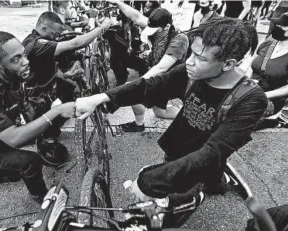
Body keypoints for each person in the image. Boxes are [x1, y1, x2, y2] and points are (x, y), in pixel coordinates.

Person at [75, 17, 267, 227]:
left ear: (229, 64)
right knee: (194, 181)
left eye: (200, 57)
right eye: (191, 53)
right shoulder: (190, 72)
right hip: (177, 148)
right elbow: (151, 85)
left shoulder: (250, 99)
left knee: (172, 212)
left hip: (203, 162)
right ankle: (218, 183)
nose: (190, 61)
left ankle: (206, 190)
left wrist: (148, 182)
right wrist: (102, 98)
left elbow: (212, 153)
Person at [0, 31, 76, 205]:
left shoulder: (10, 74)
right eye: (16, 59)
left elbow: (26, 108)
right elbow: (13, 138)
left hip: (0, 133)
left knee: (43, 110)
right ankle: (41, 197)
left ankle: (43, 146)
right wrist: (55, 112)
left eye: (24, 55)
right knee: (30, 161)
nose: (26, 62)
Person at [21, 12, 112, 153]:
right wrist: (102, 28)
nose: (56, 37)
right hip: (36, 94)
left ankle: (50, 134)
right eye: (55, 33)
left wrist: (67, 76)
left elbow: (48, 66)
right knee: (42, 124)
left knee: (67, 96)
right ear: (44, 29)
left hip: (48, 86)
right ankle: (45, 146)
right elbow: (76, 43)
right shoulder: (37, 44)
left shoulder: (41, 41)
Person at [106, 0, 189, 132]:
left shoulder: (179, 39)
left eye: (154, 30)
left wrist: (139, 83)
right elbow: (136, 17)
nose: (150, 32)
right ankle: (187, 114)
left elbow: (161, 68)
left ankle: (139, 125)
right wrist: (117, 2)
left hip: (173, 81)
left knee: (132, 89)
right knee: (160, 113)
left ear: (167, 27)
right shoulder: (158, 27)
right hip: (162, 77)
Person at [248, 12, 288, 129]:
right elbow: (253, 65)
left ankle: (273, 119)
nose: (278, 27)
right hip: (251, 90)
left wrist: (265, 95)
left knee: (236, 115)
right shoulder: (268, 43)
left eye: (284, 25)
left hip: (271, 98)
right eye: (278, 24)